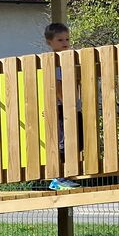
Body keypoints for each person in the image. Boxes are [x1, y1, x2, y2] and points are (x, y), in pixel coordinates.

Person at [44, 23, 80, 190]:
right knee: (63, 142)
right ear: (49, 42)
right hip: (61, 107)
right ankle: (58, 178)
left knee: (74, 141)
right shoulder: (55, 62)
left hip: (70, 106)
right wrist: (66, 103)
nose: (65, 43)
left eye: (67, 39)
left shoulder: (68, 60)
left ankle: (65, 176)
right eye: (60, 40)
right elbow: (57, 85)